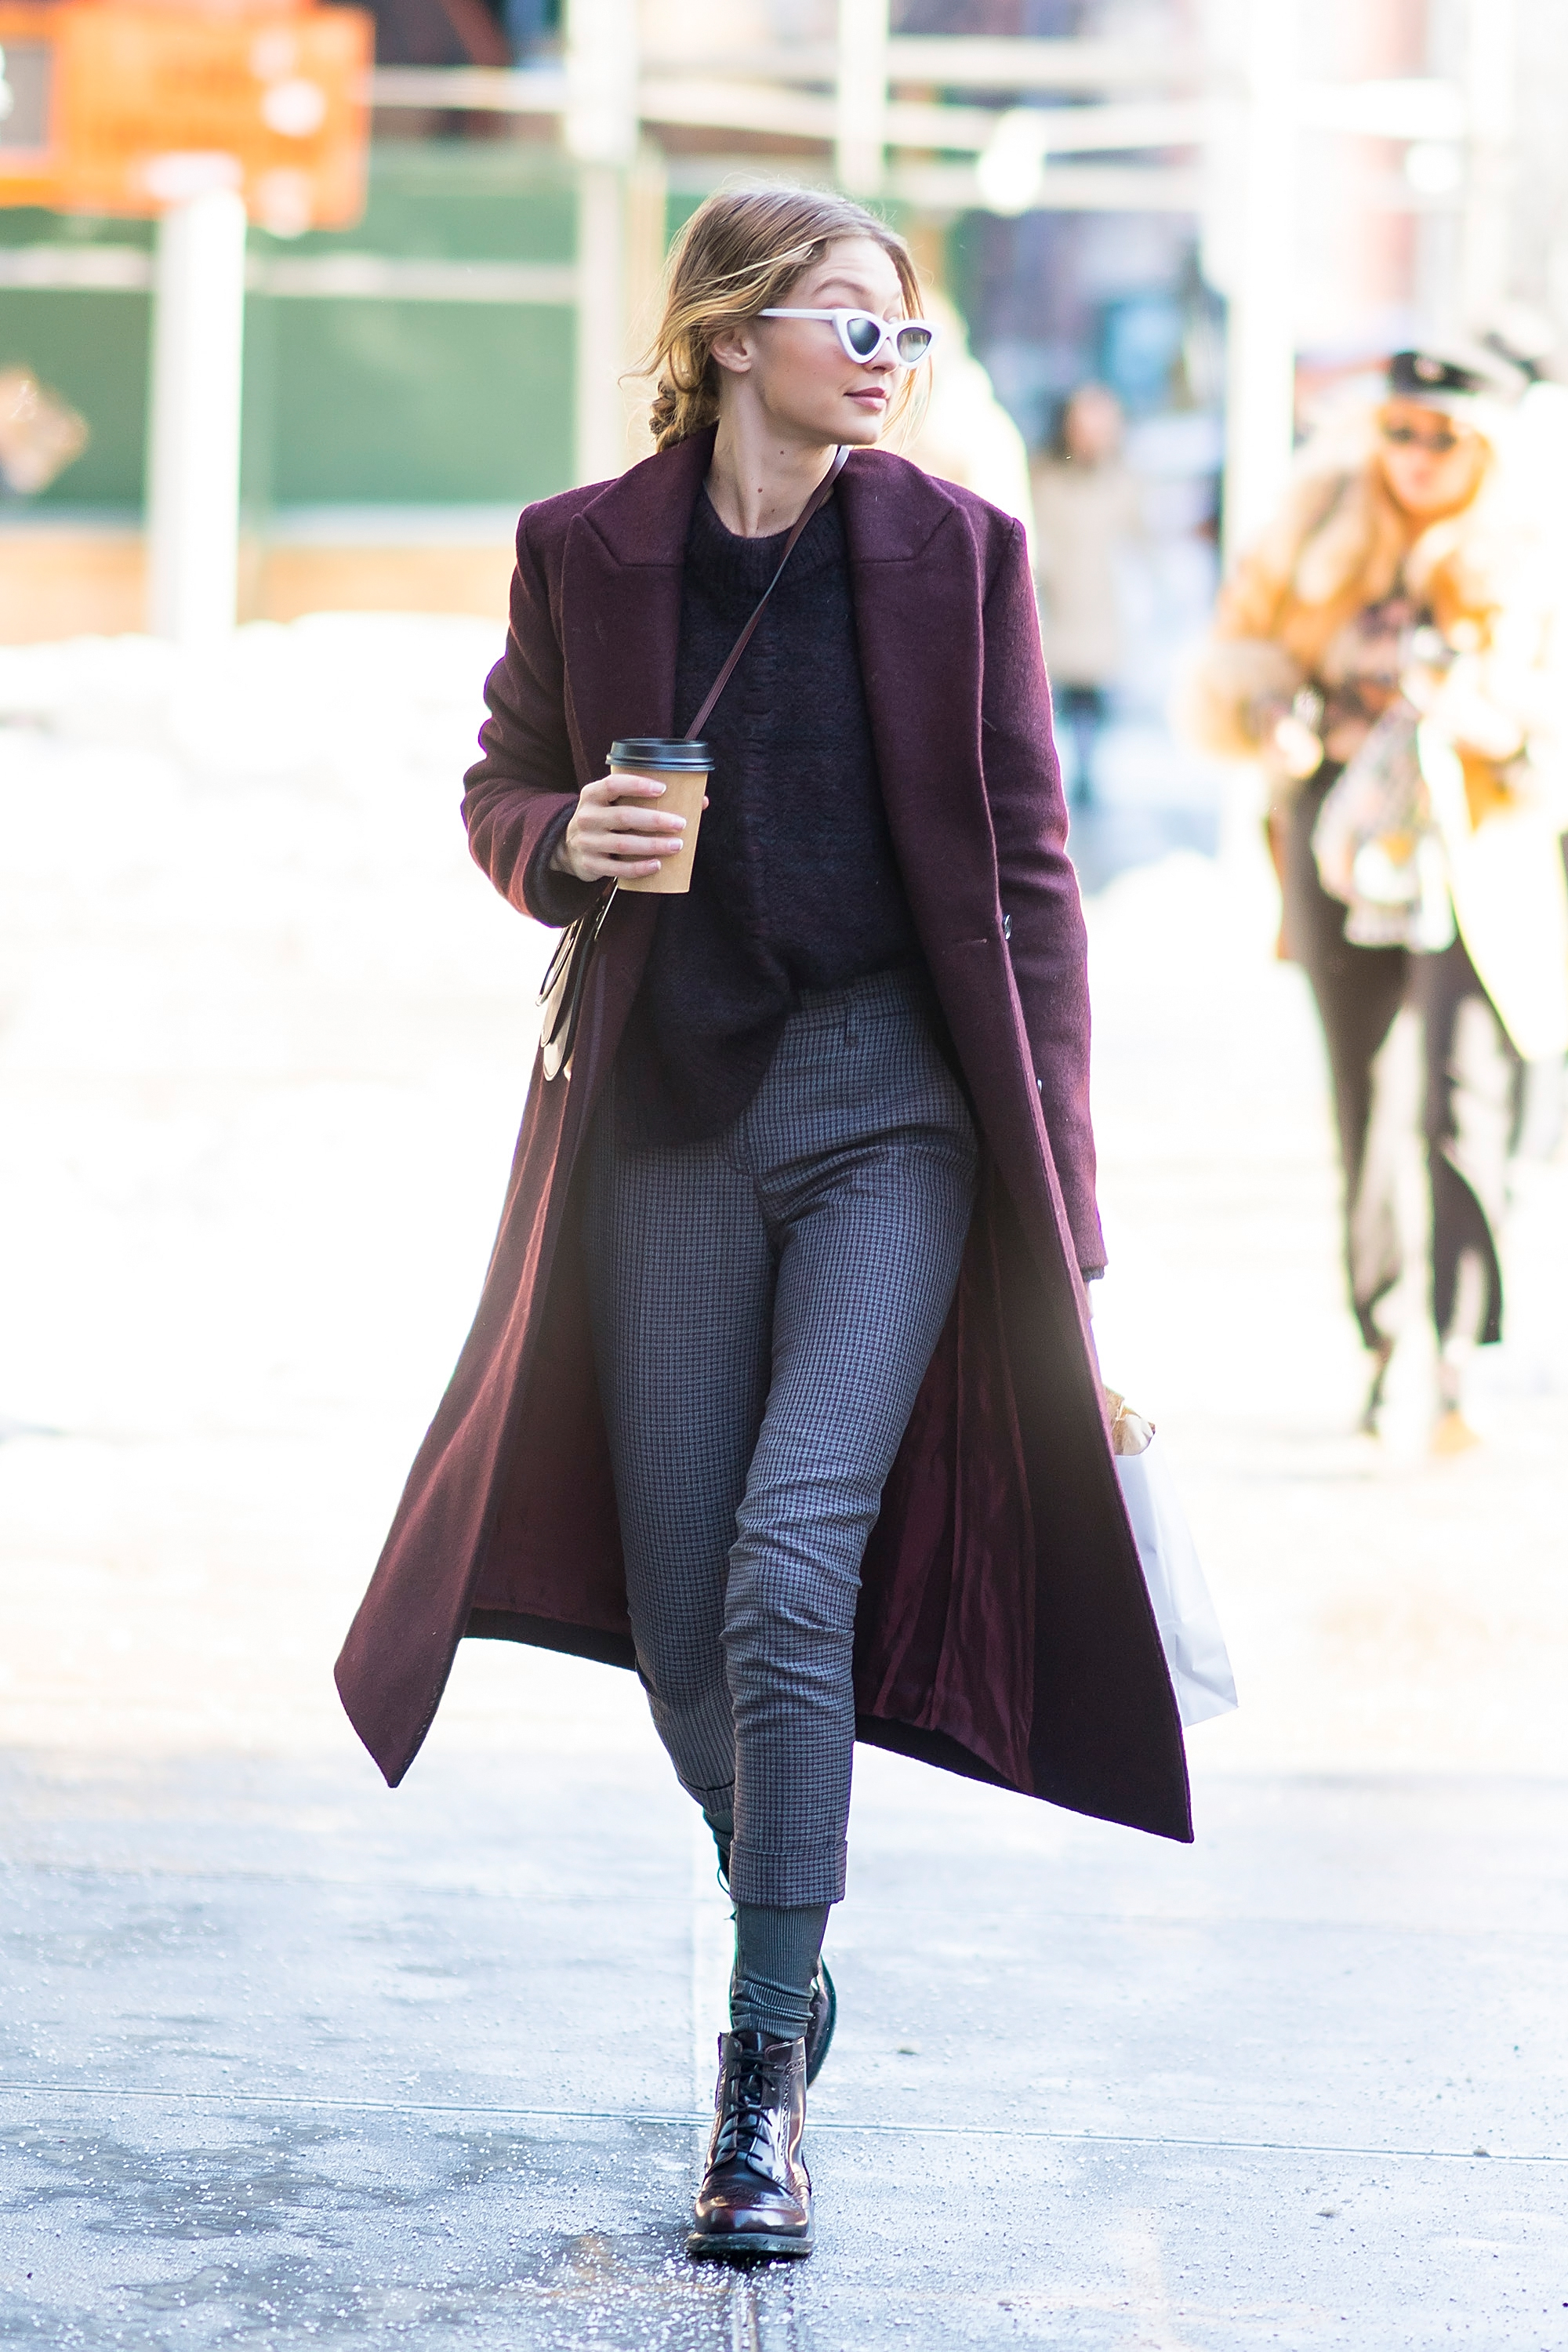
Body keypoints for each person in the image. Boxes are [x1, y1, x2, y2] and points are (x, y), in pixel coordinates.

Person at [335, 187, 1190, 2263]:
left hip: (893, 1109)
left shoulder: (959, 555)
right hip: (666, 1120)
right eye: (848, 321)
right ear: (730, 336)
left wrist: (1068, 1223)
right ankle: (780, 1907)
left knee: (794, 1557)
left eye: (906, 331)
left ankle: (756, 2072)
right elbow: (500, 791)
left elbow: (1031, 887)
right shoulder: (584, 550)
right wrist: (567, 837)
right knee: (685, 1608)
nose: (887, 359)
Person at [1182, 344, 1568, 1445]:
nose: (1416, 456)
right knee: (1366, 1093)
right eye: (1397, 430)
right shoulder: (1315, 520)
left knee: (1462, 1095)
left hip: (1476, 837)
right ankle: (1383, 1334)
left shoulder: (1529, 542)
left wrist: (1478, 711)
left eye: (1441, 437)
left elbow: (1546, 709)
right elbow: (1234, 655)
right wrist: (1277, 713)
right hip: (1337, 834)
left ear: (1484, 446)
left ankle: (1457, 1353)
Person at [1031, 383, 1139, 808]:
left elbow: (1138, 544)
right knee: (1051, 700)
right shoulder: (1046, 478)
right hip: (1055, 609)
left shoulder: (1121, 482)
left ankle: (1086, 774)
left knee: (1091, 701)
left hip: (1099, 611)